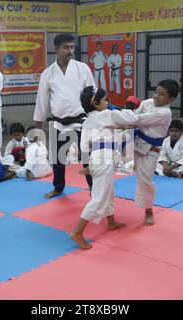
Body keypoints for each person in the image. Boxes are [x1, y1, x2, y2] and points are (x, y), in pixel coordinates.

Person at [70, 86, 139, 250]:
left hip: (96, 159)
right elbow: (132, 118)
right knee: (99, 197)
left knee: (108, 191)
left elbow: (83, 148)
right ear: (95, 103)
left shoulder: (86, 122)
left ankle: (111, 221)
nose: (108, 102)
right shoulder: (107, 115)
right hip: (104, 159)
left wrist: (89, 166)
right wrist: (128, 108)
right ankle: (77, 232)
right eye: (105, 99)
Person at [33, 33, 94, 199]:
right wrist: (38, 127)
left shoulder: (83, 68)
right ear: (56, 49)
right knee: (57, 159)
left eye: (72, 47)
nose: (70, 50)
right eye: (66, 47)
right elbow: (42, 100)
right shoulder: (48, 73)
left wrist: (96, 118)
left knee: (88, 158)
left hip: (81, 120)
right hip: (58, 122)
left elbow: (92, 96)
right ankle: (58, 187)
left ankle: (94, 191)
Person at [133, 80, 175, 225]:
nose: (156, 96)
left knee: (145, 181)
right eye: (156, 91)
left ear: (171, 99)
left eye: (161, 94)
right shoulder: (147, 103)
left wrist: (119, 114)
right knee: (111, 169)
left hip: (150, 150)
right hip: (134, 143)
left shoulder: (164, 113)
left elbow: (137, 119)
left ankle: (148, 210)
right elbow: (134, 114)